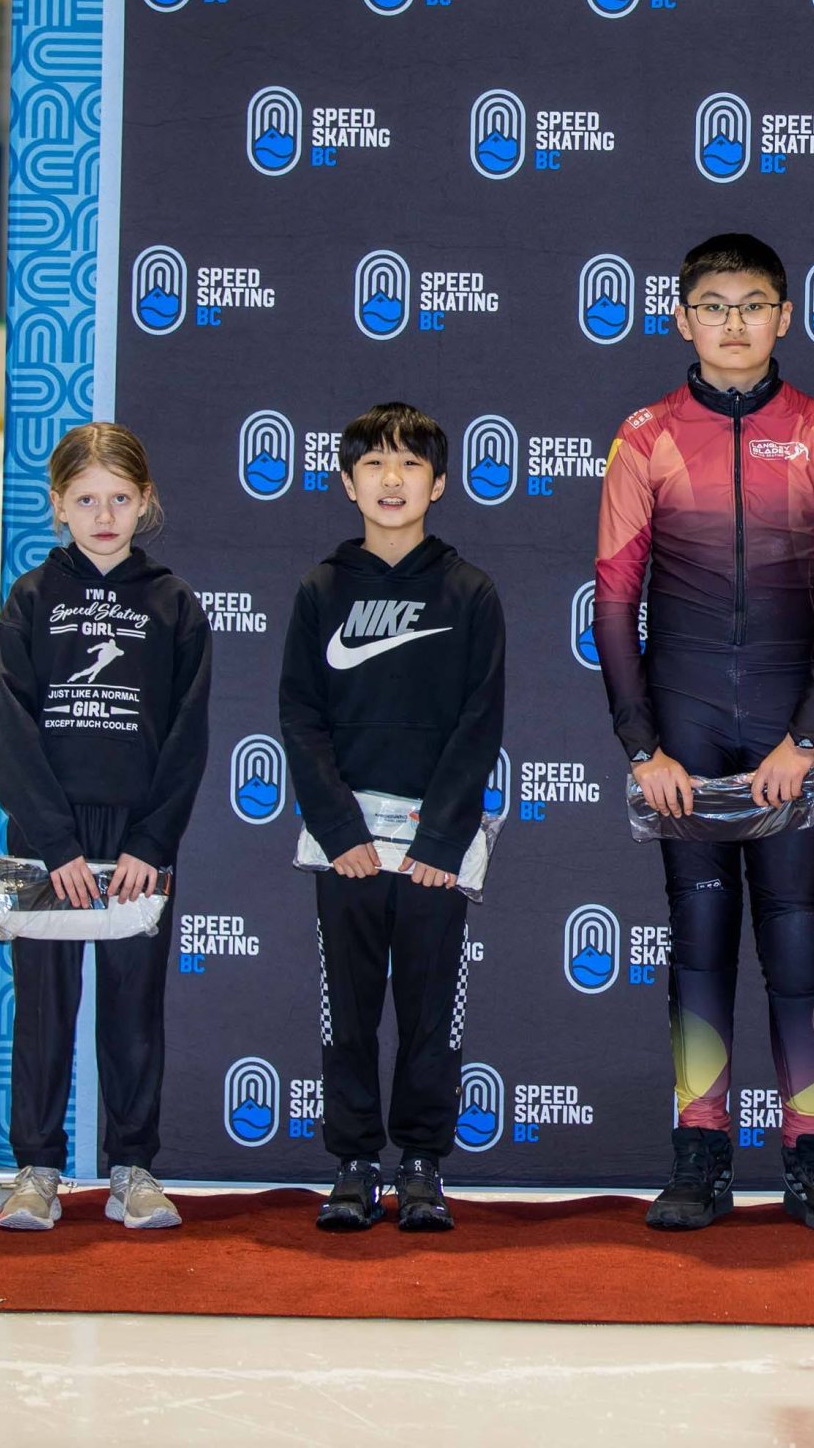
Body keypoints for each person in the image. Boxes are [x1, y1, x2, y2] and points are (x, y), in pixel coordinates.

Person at [595, 233, 814, 1234]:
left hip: (790, 733)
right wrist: (643, 748)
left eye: (753, 304)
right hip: (684, 731)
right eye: (713, 306)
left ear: (785, 316)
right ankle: (700, 1152)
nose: (733, 323)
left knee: (797, 943)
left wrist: (805, 738)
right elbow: (613, 602)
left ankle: (813, 1153)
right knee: (700, 944)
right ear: (682, 318)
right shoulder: (645, 436)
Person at [280, 402, 506, 1234]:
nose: (391, 479)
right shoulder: (320, 589)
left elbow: (479, 725)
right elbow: (300, 717)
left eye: (411, 464)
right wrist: (341, 833)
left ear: (439, 484)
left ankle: (419, 1162)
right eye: (373, 463)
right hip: (347, 851)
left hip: (434, 855)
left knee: (429, 1011)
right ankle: (352, 1163)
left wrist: (441, 840)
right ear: (347, 482)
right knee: (347, 1011)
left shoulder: (470, 592)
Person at [0, 422, 212, 1233]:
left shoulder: (174, 604)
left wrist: (152, 842)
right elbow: (9, 727)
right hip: (51, 837)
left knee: (132, 1007)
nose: (104, 516)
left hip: (137, 842)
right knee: (44, 1009)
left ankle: (132, 1169)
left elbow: (187, 735)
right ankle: (36, 1169)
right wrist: (55, 844)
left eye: (119, 498)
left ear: (145, 501)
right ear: (58, 505)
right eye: (86, 501)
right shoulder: (31, 599)